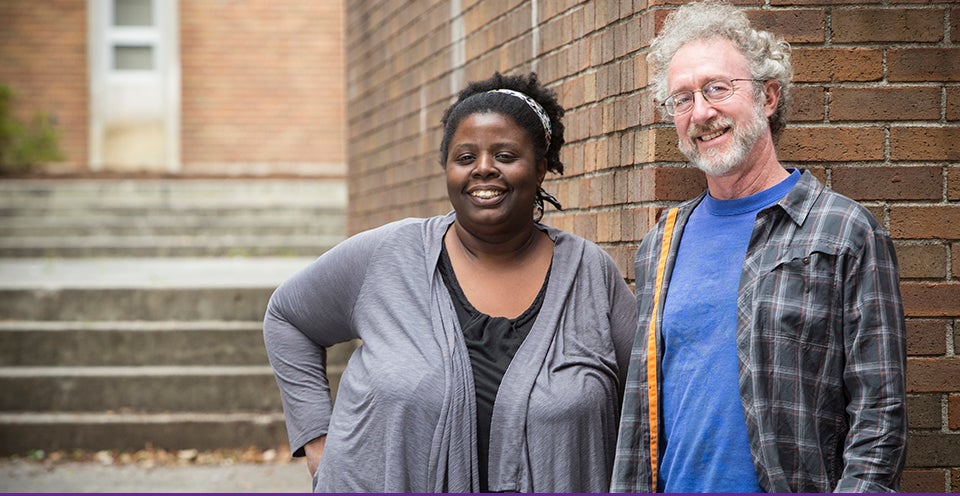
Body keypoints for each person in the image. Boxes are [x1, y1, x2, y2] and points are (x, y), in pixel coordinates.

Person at [263, 72, 637, 493]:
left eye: (505, 155)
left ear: (541, 169)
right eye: (464, 157)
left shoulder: (590, 275)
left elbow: (647, 393)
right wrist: (317, 440)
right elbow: (287, 318)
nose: (483, 169)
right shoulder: (388, 255)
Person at [611, 1, 907, 493]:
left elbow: (879, 416)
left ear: (768, 97)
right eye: (681, 99)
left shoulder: (842, 231)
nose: (701, 112)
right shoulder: (661, 243)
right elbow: (640, 416)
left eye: (716, 89)